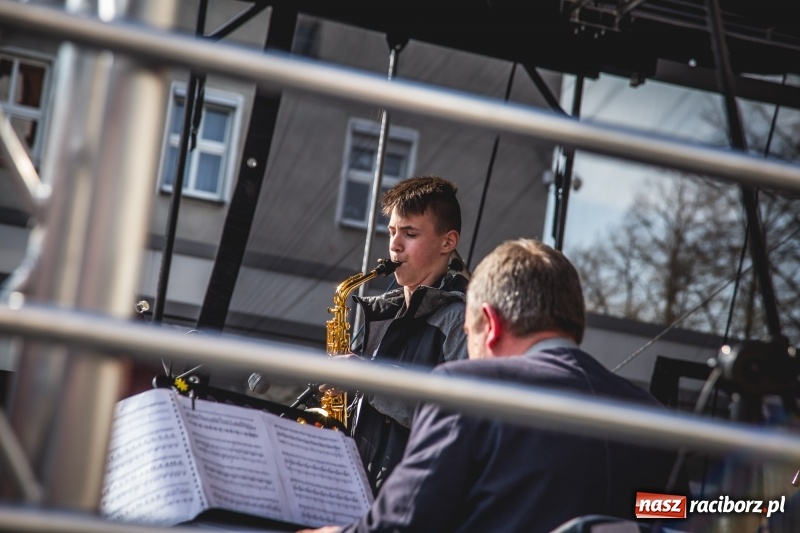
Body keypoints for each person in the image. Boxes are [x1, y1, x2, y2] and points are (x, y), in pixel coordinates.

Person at [301, 238, 685, 533]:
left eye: (468, 332)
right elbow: (668, 513)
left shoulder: (466, 390)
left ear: (491, 322)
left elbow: (400, 525)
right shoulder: (654, 417)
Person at [345, 176, 469, 495]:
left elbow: (456, 422)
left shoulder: (461, 320)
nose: (395, 245)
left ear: (447, 242)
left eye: (410, 233)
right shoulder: (387, 313)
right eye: (392, 232)